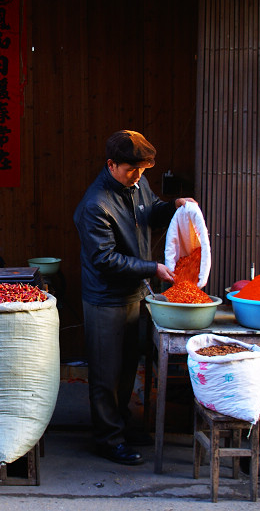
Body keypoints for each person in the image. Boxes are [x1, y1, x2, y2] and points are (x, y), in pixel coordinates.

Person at [73, 130, 196, 466]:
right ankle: (108, 440)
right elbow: (105, 259)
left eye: (143, 170)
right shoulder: (95, 205)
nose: (139, 176)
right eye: (132, 170)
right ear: (111, 164)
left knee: (128, 367)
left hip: (134, 292)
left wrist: (174, 206)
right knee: (106, 373)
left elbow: (151, 211)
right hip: (105, 299)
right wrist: (152, 267)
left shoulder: (136, 182)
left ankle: (121, 426)